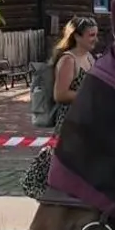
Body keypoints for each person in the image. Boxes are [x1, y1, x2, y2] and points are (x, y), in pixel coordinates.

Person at [20, 15, 98, 199]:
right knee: (63, 160)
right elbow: (60, 94)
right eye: (91, 35)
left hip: (86, 118)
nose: (95, 38)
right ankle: (48, 191)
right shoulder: (68, 60)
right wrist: (87, 96)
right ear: (78, 37)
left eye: (96, 34)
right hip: (70, 120)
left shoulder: (89, 57)